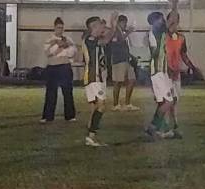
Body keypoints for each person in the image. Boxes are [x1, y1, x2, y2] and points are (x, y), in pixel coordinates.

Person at [144, 0, 183, 140]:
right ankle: (153, 126)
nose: (164, 21)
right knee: (169, 101)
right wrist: (174, 4)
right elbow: (172, 21)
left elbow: (173, 23)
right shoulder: (155, 29)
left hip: (161, 70)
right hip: (159, 70)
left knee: (165, 101)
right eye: (161, 19)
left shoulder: (158, 32)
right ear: (156, 21)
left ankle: (160, 128)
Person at [165, 13, 203, 137]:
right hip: (164, 73)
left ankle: (173, 126)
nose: (175, 24)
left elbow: (183, 54)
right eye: (173, 21)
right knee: (167, 100)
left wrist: (192, 67)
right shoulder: (163, 36)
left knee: (175, 100)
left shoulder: (181, 37)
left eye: (177, 21)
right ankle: (167, 127)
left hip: (176, 73)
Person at [82, 14, 116, 147]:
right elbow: (106, 39)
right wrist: (113, 25)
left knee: (95, 107)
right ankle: (91, 136)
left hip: (95, 77)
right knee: (101, 106)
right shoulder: (90, 39)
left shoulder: (93, 38)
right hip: (94, 76)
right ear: (93, 27)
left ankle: (90, 135)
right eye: (100, 24)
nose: (103, 26)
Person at [41, 17, 77, 123]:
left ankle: (70, 116)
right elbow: (49, 53)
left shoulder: (68, 39)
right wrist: (59, 46)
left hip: (65, 67)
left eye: (62, 28)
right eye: (58, 28)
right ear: (54, 28)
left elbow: (72, 52)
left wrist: (63, 48)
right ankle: (48, 116)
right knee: (51, 93)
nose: (60, 30)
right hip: (53, 68)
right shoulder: (49, 40)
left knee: (68, 92)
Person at [109, 15, 138, 111]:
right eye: (124, 22)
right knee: (118, 82)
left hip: (126, 59)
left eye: (125, 22)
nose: (125, 24)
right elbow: (119, 41)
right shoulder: (115, 32)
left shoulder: (123, 32)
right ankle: (115, 104)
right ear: (119, 23)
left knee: (132, 79)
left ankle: (128, 103)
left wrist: (131, 56)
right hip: (118, 60)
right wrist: (129, 32)